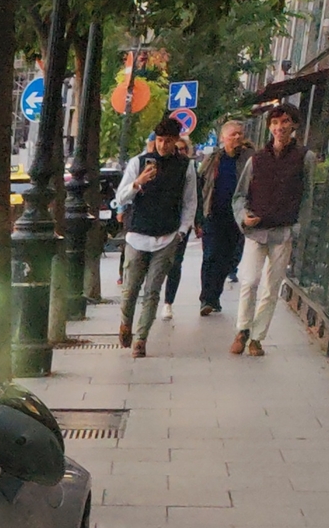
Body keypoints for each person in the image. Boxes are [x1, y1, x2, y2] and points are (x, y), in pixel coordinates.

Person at [110, 117, 203, 357]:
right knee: (130, 289)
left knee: (152, 291)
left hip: (166, 236)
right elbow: (120, 198)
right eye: (160, 140)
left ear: (176, 141)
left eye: (168, 141)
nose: (163, 146)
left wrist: (182, 232)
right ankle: (125, 323)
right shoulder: (137, 163)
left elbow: (190, 201)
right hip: (137, 235)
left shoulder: (186, 166)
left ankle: (141, 339)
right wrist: (137, 184)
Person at [234, 107, 310, 356]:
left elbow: (309, 196)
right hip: (256, 231)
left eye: (285, 122)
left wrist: (299, 227)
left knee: (271, 287)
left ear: (294, 125)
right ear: (269, 127)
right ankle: (242, 329)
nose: (280, 127)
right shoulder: (256, 159)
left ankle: (257, 338)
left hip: (283, 231)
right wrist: (244, 217)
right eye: (275, 123)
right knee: (249, 281)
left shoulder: (304, 157)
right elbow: (240, 195)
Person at [194, 119, 252, 316]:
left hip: (237, 217)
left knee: (229, 258)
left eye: (240, 134)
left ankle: (215, 296)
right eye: (232, 134)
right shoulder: (212, 160)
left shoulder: (249, 159)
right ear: (222, 138)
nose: (237, 137)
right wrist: (198, 218)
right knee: (210, 256)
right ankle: (206, 299)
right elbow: (199, 186)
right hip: (214, 214)